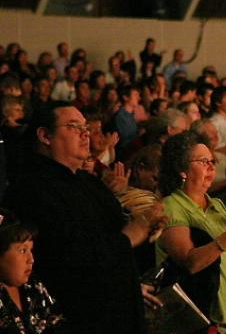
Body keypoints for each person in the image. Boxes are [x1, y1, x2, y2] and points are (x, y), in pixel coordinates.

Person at [5, 102, 165, 333]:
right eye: (73, 126)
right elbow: (67, 259)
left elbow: (114, 233)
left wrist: (147, 227)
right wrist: (129, 236)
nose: (85, 133)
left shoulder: (87, 182)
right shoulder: (30, 190)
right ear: (45, 135)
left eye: (85, 127)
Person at [157, 131, 226, 332]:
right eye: (203, 161)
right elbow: (191, 263)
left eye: (212, 161)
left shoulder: (218, 206)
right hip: (195, 320)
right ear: (182, 169)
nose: (211, 166)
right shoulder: (172, 206)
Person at [0, 208, 63, 333]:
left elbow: (57, 321)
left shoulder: (33, 285)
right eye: (22, 250)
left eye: (31, 250)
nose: (31, 259)